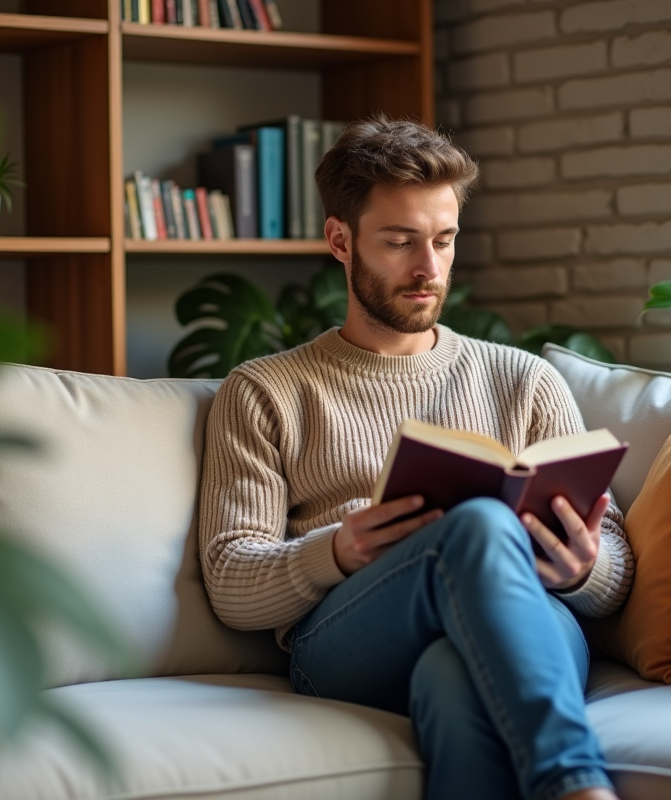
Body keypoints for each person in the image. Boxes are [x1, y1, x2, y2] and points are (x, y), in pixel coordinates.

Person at [199, 115, 634, 800]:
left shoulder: (525, 381)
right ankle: (574, 783)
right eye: (401, 242)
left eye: (444, 240)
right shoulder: (265, 391)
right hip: (350, 637)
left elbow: (612, 565)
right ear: (340, 241)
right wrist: (336, 551)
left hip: (527, 623)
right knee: (477, 527)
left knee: (451, 675)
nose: (429, 268)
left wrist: (585, 567)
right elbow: (229, 578)